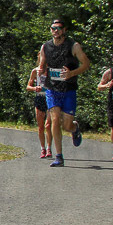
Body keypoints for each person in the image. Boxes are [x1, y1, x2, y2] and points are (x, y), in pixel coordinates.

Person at [38, 19, 90, 168]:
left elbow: (86, 64)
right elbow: (42, 64)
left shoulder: (73, 46)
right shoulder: (45, 47)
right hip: (52, 89)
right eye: (53, 28)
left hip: (69, 90)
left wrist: (72, 73)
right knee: (54, 120)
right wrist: (41, 69)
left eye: (59, 28)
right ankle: (59, 156)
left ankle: (75, 128)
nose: (56, 31)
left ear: (64, 30)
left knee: (66, 125)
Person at [25, 60, 53, 158]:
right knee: (41, 127)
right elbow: (28, 86)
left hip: (50, 98)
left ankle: (49, 148)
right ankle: (43, 149)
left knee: (48, 125)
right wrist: (34, 88)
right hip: (39, 98)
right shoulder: (35, 71)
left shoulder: (52, 71)